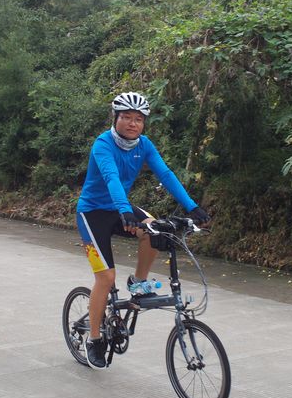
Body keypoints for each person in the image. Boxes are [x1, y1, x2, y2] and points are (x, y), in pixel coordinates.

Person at [76, 92, 210, 369]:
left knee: (155, 230)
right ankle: (95, 339)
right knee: (105, 278)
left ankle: (138, 282)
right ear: (115, 118)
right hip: (92, 213)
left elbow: (166, 174)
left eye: (138, 119)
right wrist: (124, 210)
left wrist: (192, 206)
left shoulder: (144, 145)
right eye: (126, 117)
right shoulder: (103, 144)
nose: (132, 123)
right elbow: (111, 177)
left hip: (120, 207)